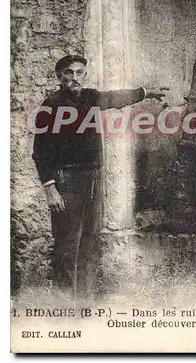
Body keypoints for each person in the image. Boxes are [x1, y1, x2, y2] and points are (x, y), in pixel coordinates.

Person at [32, 54, 167, 299]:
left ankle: (85, 305)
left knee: (90, 243)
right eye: (69, 73)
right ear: (59, 76)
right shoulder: (50, 105)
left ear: (85, 74)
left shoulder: (90, 97)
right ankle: (63, 308)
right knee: (66, 247)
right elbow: (40, 151)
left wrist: (145, 92)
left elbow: (116, 98)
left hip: (93, 179)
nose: (75, 78)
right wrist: (50, 188)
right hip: (67, 182)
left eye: (80, 72)